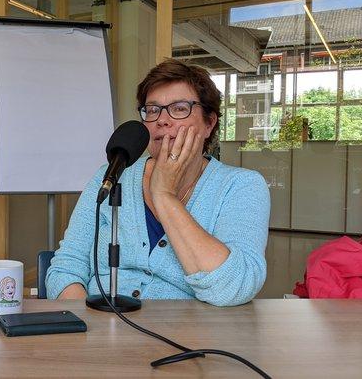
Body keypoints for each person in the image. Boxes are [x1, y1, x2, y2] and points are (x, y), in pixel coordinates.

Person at [46, 59, 270, 307]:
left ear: (209, 123)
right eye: (152, 110)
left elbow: (234, 288)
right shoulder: (111, 176)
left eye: (179, 108)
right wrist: (91, 329)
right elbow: (65, 268)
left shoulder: (241, 186)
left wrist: (164, 194)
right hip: (104, 332)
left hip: (189, 338)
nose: (162, 120)